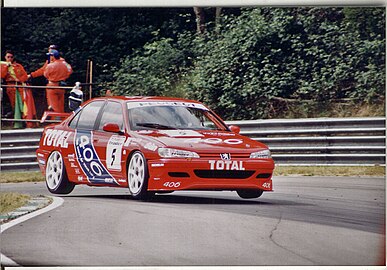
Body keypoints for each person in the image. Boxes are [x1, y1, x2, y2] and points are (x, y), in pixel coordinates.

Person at [28, 45, 72, 112]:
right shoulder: (64, 62)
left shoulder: (51, 63)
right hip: (61, 85)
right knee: (60, 106)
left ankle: (55, 121)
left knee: (52, 106)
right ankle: (61, 120)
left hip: (52, 85)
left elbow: (44, 73)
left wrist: (31, 75)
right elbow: (69, 71)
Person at [1, 50, 37, 128]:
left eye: (11, 57)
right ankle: (18, 122)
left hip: (20, 87)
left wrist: (20, 80)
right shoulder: (2, 65)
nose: (10, 58)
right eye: (8, 57)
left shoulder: (18, 66)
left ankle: (25, 122)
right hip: (10, 87)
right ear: (5, 57)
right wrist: (6, 66)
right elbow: (2, 76)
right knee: (14, 105)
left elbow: (24, 76)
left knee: (23, 105)